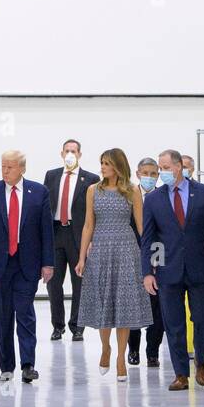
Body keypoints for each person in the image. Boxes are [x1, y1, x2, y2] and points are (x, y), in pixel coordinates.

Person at [141, 149, 204, 391]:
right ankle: (180, 373)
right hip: (168, 270)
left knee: (203, 319)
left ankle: (200, 361)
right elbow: (150, 238)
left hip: (200, 268)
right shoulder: (154, 199)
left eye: (165, 167)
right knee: (173, 323)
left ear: (178, 167)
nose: (161, 172)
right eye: (160, 168)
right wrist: (150, 270)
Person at [0, 150, 55, 384]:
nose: (5, 171)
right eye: (2, 167)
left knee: (26, 314)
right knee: (2, 315)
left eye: (10, 167)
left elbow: (46, 231)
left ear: (22, 168)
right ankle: (6, 366)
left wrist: (48, 262)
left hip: (27, 264)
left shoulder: (39, 192)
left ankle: (28, 364)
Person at [75, 149, 152, 381]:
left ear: (118, 166)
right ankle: (105, 347)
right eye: (101, 163)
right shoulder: (92, 190)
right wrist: (81, 258)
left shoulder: (132, 192)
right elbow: (88, 224)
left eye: (107, 163)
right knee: (103, 300)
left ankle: (121, 358)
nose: (102, 167)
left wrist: (148, 257)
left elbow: (141, 226)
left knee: (124, 304)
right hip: (100, 249)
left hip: (126, 250)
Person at [44, 139, 99, 342]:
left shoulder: (91, 179)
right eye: (67, 151)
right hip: (56, 232)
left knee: (80, 283)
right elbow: (44, 207)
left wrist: (92, 239)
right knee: (53, 283)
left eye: (73, 151)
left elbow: (94, 212)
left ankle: (77, 326)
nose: (70, 154)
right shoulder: (51, 176)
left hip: (79, 235)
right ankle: (57, 326)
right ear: (61, 153)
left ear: (80, 154)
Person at [128, 158, 165, 367]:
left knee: (157, 307)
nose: (149, 177)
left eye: (153, 173)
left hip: (157, 255)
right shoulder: (128, 197)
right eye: (145, 172)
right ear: (137, 173)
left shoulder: (162, 196)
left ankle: (153, 352)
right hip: (132, 255)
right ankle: (133, 350)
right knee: (134, 306)